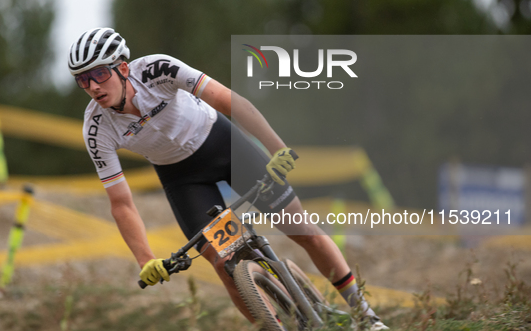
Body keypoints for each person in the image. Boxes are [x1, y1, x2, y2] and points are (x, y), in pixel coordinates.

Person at [69, 27, 388, 330]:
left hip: (225, 147)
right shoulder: (96, 129)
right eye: (83, 80)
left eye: (99, 74)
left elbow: (227, 100)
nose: (93, 87)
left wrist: (277, 149)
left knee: (301, 228)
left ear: (122, 68)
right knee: (226, 265)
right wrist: (145, 259)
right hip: (185, 181)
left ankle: (366, 315)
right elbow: (121, 203)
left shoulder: (157, 69)